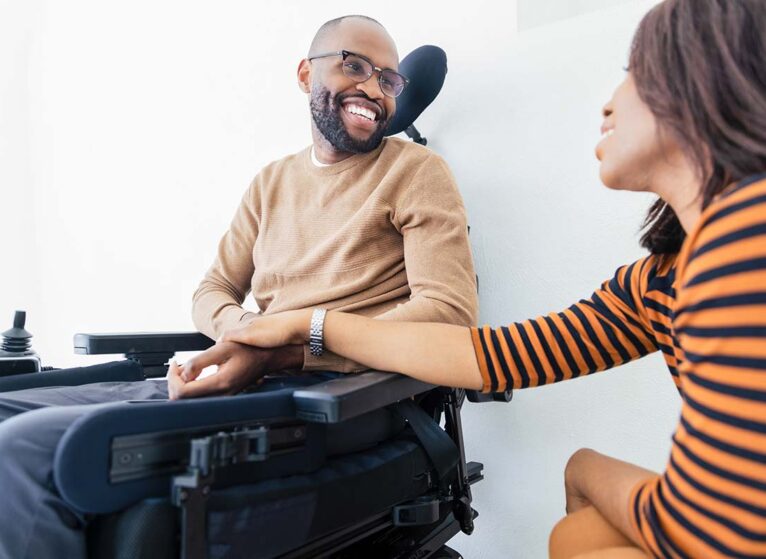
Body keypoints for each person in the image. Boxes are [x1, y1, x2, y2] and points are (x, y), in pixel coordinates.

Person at [173, 1, 766, 557]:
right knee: (579, 535)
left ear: (703, 82)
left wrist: (583, 469)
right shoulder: (656, 283)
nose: (608, 103)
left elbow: (715, 529)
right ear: (307, 74)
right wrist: (282, 333)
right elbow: (498, 356)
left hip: (351, 408)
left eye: (632, 74)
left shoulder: (743, 242)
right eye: (353, 66)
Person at [0, 15, 477, 559]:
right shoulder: (271, 183)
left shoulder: (416, 172)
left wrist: (290, 350)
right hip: (252, 374)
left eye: (389, 81)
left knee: (18, 450)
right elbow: (213, 290)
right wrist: (250, 333)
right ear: (306, 74)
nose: (373, 88)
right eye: (354, 66)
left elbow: (448, 316)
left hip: (334, 401)